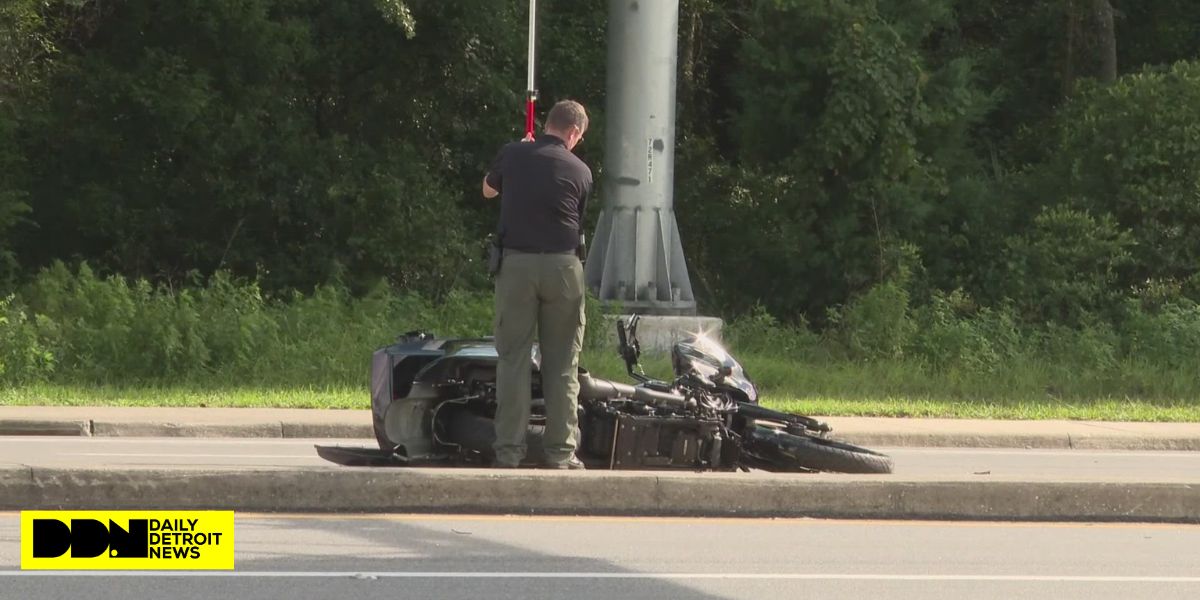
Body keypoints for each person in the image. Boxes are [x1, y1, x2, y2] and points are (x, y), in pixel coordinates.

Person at [482, 99, 592, 470]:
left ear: (545, 124)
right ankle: (561, 452)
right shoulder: (581, 171)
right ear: (573, 132)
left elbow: (488, 191)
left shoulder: (513, 155)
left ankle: (508, 452)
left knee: (512, 359)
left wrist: (519, 153)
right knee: (562, 362)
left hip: (516, 266)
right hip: (564, 269)